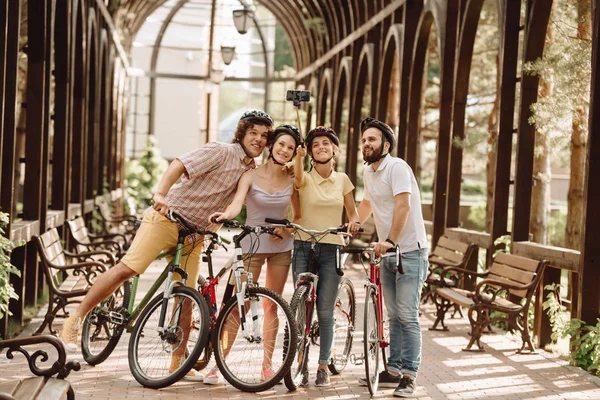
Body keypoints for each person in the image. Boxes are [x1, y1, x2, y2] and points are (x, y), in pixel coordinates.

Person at [59, 110, 274, 381]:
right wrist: (160, 194)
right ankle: (76, 319)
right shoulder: (220, 151)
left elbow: (239, 202)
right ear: (242, 133)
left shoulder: (251, 170)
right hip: (167, 218)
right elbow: (179, 164)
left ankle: (176, 361)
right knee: (129, 268)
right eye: (253, 132)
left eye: (264, 136)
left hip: (195, 234)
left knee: (186, 296)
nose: (258, 139)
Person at [203, 124, 302, 384]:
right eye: (281, 144)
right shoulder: (250, 175)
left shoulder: (293, 177)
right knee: (238, 305)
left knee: (272, 306)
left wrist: (287, 230)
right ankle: (218, 364)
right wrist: (225, 216)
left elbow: (298, 216)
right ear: (271, 145)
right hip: (252, 245)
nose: (285, 150)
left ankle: (267, 366)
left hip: (280, 248)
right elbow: (237, 205)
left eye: (290, 148)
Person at [356, 117, 428, 397]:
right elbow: (367, 203)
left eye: (372, 139)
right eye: (364, 140)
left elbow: (403, 206)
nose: (366, 144)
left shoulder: (396, 167)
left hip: (409, 251)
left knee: (408, 316)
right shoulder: (369, 172)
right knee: (394, 315)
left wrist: (390, 241)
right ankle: (393, 370)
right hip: (389, 250)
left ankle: (409, 376)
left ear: (386, 144)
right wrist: (352, 225)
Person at [293, 126, 361, 387]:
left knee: (324, 310)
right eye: (315, 145)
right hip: (302, 244)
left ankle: (322, 365)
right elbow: (297, 180)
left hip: (331, 246)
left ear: (335, 149)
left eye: (326, 143)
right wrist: (298, 157)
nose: (321, 147)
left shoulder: (343, 179)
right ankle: (300, 362)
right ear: (309, 152)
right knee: (300, 309)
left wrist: (353, 223)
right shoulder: (305, 177)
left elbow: (352, 211)